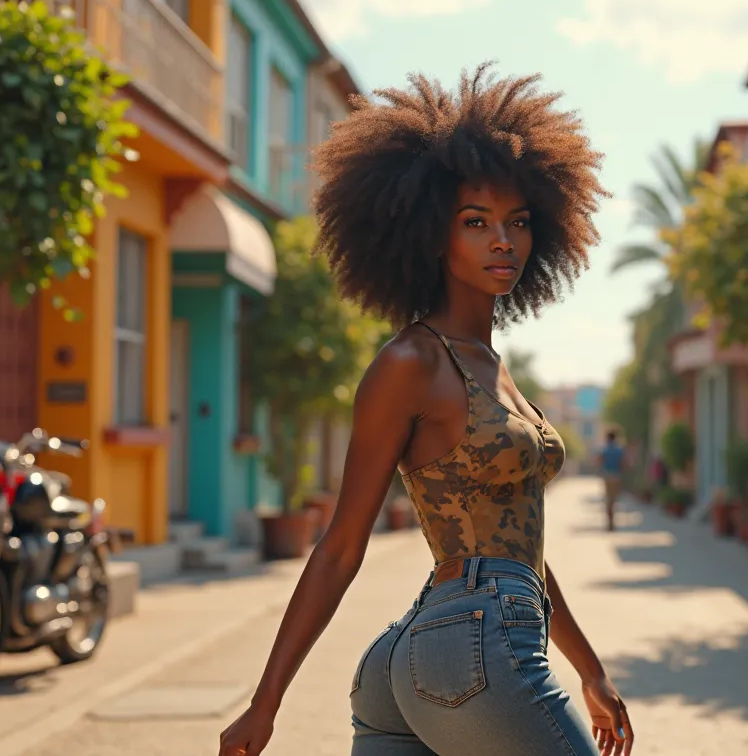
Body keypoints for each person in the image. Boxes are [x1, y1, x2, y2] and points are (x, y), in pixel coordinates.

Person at [218, 63, 633, 756]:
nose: (503, 239)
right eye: (476, 222)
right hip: (465, 650)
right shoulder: (411, 364)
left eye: (518, 221)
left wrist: (590, 669)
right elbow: (342, 545)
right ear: (431, 234)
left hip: (443, 646)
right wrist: (264, 706)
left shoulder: (496, 370)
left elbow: (517, 550)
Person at [598, 432, 626, 531]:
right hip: (617, 476)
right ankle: (612, 522)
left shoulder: (605, 449)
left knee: (608, 499)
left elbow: (599, 461)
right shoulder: (619, 450)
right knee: (614, 500)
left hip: (607, 476)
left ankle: (610, 523)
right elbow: (623, 463)